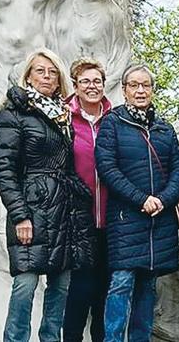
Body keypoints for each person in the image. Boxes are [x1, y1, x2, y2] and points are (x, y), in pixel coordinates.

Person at [0, 48, 94, 342]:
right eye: (40, 71)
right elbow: (4, 170)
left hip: (64, 212)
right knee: (25, 285)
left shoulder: (64, 116)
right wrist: (20, 216)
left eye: (52, 72)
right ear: (28, 76)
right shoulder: (12, 114)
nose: (47, 77)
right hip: (32, 210)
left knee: (60, 287)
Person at [95, 65, 179, 342]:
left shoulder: (164, 129)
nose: (140, 91)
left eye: (145, 85)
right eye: (134, 85)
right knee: (121, 283)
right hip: (126, 218)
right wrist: (141, 199)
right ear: (124, 90)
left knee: (148, 286)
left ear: (152, 90)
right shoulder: (112, 123)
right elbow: (107, 168)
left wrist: (164, 199)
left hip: (159, 220)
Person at [63, 58, 113, 342]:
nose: (92, 86)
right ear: (75, 86)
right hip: (77, 217)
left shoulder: (115, 119)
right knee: (80, 289)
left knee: (104, 291)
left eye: (97, 81)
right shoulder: (63, 118)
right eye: (85, 81)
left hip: (111, 218)